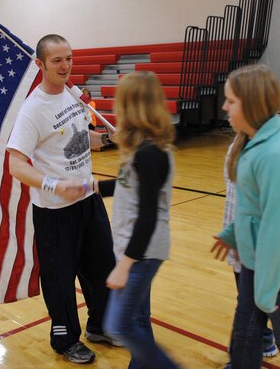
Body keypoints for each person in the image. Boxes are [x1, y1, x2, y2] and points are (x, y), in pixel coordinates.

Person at [7, 34, 117, 364]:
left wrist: (111, 137)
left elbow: (84, 140)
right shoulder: (32, 110)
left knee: (103, 269)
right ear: (40, 64)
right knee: (60, 279)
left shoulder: (72, 95)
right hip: (55, 211)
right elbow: (14, 164)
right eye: (57, 60)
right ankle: (65, 340)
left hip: (88, 200)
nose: (65, 65)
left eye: (68, 58)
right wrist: (54, 185)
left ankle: (98, 326)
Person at [211, 64, 280, 369]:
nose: (224, 107)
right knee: (245, 340)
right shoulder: (252, 144)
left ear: (252, 103)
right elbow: (251, 207)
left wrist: (267, 293)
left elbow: (276, 229)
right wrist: (232, 234)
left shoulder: (275, 154)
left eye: (231, 100)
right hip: (256, 263)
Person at [100, 71, 178, 368]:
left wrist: (124, 265)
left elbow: (147, 217)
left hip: (142, 252)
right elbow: (127, 184)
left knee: (118, 325)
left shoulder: (149, 153)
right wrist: (91, 188)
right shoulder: (144, 147)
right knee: (134, 320)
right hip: (137, 250)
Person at [221, 137, 278, 366]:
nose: (226, 108)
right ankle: (256, 340)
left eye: (232, 102)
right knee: (245, 300)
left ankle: (249, 347)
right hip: (238, 235)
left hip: (256, 243)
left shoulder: (268, 149)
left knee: (251, 303)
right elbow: (234, 195)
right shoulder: (236, 145)